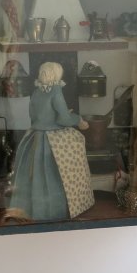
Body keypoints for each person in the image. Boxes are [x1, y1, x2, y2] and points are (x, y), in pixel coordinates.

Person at [9, 61, 93, 221]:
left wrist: (49, 118)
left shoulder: (36, 92)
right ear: (56, 76)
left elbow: (34, 116)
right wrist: (78, 120)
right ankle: (56, 211)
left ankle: (32, 211)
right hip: (52, 138)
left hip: (35, 135)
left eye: (44, 72)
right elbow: (63, 119)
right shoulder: (55, 91)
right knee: (65, 162)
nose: (44, 74)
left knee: (32, 175)